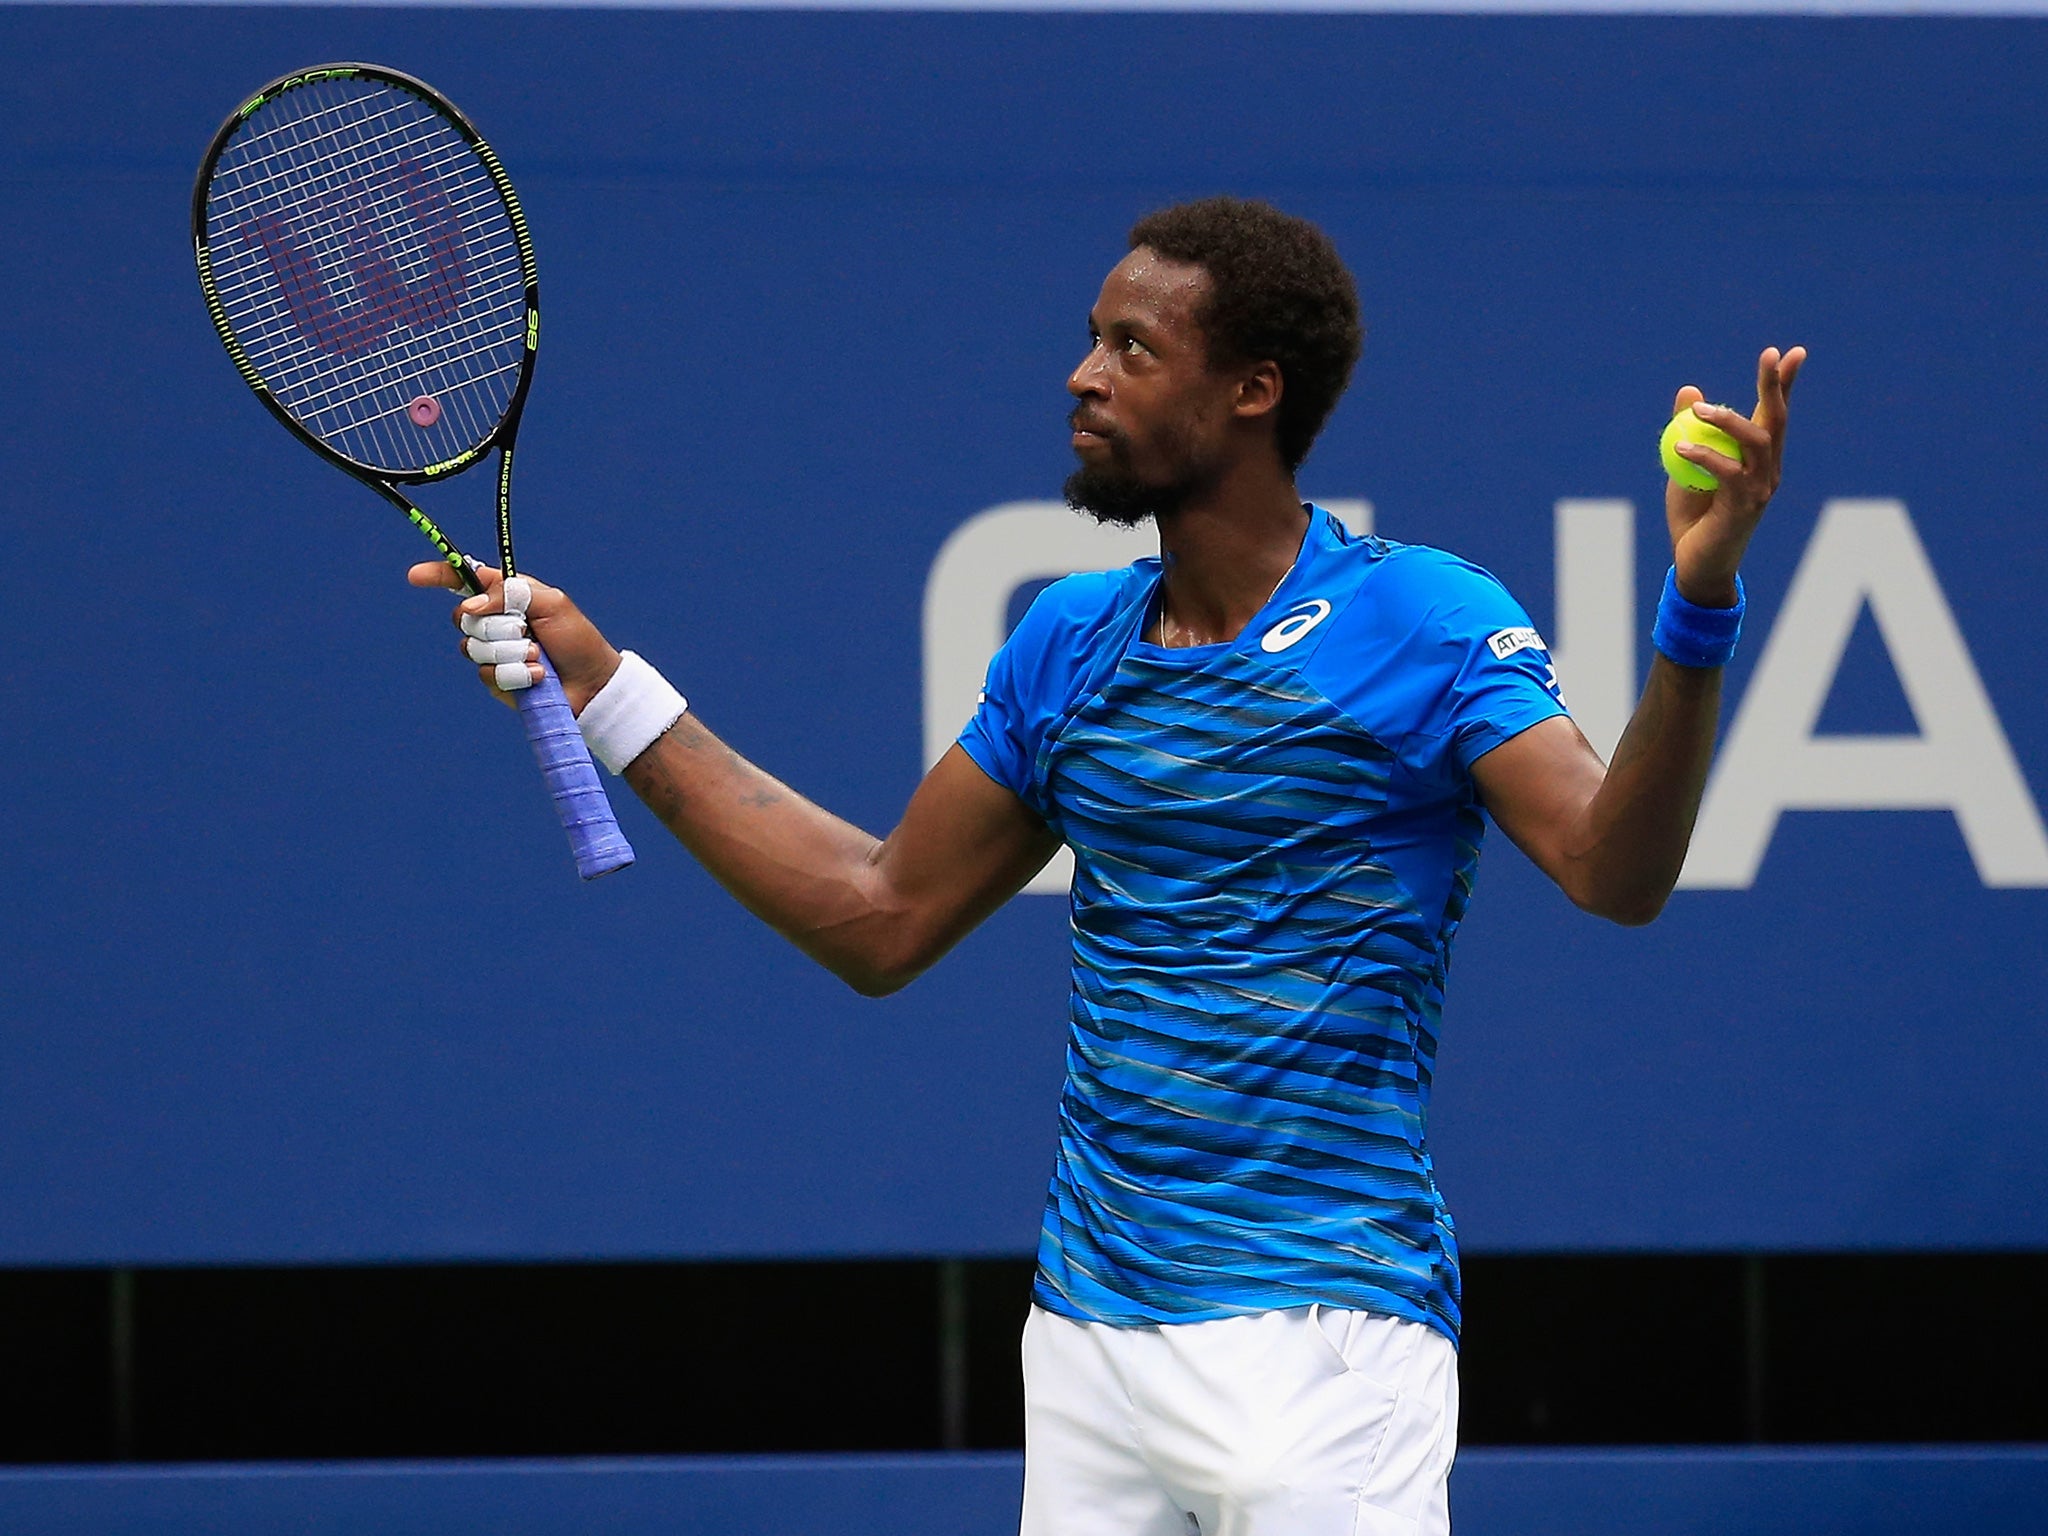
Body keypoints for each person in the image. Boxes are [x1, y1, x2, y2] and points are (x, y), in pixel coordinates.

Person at [418, 197, 1804, 1536]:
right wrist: (605, 688)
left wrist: (1697, 602)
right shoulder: (1069, 644)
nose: (1083, 376)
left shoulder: (1423, 618)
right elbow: (878, 915)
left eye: (1134, 349)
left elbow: (1613, 871)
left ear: (1254, 390)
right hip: (1089, 1341)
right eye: (1092, 336)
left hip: (1322, 1343)